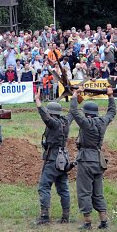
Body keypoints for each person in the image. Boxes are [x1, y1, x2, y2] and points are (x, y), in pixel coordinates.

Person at [70, 86, 116, 230]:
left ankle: (87, 222)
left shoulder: (86, 123)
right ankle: (104, 221)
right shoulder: (103, 122)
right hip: (98, 159)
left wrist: (74, 95)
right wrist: (110, 96)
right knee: (98, 192)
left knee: (84, 191)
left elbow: (74, 112)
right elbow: (112, 112)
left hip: (85, 159)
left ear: (87, 114)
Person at [34, 89, 73, 224]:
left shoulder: (54, 124)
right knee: (63, 188)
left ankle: (44, 217)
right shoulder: (66, 122)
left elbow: (44, 115)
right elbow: (72, 112)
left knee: (44, 187)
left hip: (52, 159)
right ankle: (65, 216)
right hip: (63, 158)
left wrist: (38, 101)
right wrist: (74, 97)